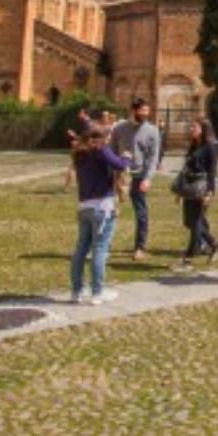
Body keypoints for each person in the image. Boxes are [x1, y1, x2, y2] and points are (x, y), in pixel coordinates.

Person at [68, 123, 129, 304]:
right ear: (100, 138)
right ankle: (97, 292)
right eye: (107, 138)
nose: (109, 141)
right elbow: (119, 165)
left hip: (84, 206)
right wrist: (127, 158)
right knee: (100, 250)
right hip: (102, 207)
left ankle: (76, 291)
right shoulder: (101, 150)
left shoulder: (79, 154)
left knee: (81, 250)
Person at [112, 99, 161, 261]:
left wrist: (147, 178)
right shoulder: (119, 129)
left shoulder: (153, 131)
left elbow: (154, 158)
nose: (146, 114)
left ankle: (140, 247)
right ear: (133, 110)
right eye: (142, 111)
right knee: (109, 212)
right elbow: (111, 152)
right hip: (120, 175)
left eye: (147, 110)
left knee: (141, 213)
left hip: (139, 176)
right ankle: (103, 245)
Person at [174, 119, 218, 270]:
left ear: (203, 129)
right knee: (189, 221)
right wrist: (180, 191)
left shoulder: (210, 147)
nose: (191, 129)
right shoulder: (193, 145)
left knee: (196, 223)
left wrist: (209, 192)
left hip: (201, 187)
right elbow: (186, 168)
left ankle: (189, 258)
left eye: (194, 126)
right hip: (189, 187)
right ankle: (214, 243)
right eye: (191, 126)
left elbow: (212, 172)